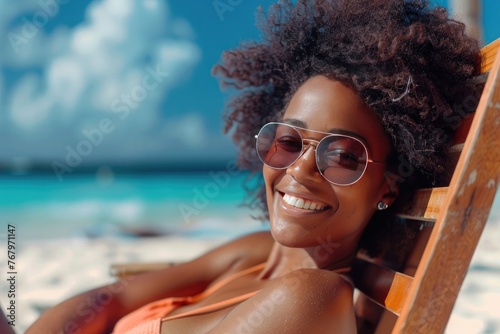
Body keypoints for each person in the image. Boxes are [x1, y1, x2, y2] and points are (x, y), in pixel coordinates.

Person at [27, 0, 481, 333]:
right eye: (288, 140)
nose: (301, 170)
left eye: (343, 155)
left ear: (386, 187)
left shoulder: (312, 300)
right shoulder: (252, 252)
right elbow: (112, 298)